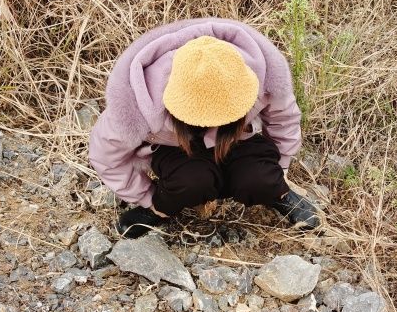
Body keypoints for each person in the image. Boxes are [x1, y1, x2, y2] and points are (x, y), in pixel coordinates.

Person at [88, 17, 320, 239]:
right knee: (190, 182)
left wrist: (281, 168)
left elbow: (284, 119)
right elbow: (106, 156)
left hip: (239, 138)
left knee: (261, 178)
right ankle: (159, 210)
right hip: (178, 148)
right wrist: (145, 196)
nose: (213, 123)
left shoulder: (260, 75)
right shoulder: (138, 102)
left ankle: (279, 193)